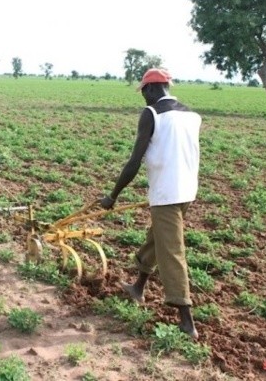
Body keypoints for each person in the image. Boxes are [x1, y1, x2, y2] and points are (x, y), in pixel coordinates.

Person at [99, 68, 202, 339]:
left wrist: (113, 196)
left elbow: (134, 161)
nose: (143, 98)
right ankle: (138, 288)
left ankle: (187, 322)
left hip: (167, 195)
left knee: (172, 252)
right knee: (157, 239)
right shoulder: (191, 115)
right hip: (187, 191)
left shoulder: (152, 114)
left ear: (152, 89)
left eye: (144, 91)